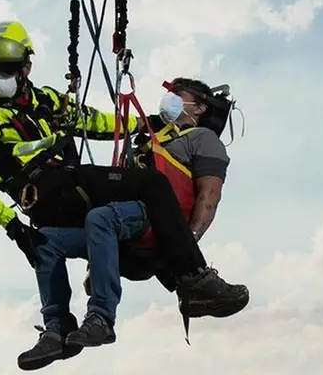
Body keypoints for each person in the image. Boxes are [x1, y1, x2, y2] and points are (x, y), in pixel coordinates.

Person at [0, 21, 248, 371]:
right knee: (59, 233)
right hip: (49, 195)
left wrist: (143, 124)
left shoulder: (48, 101)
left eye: (6, 69)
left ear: (26, 68)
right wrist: (15, 228)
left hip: (69, 188)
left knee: (66, 234)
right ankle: (187, 277)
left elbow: (96, 122)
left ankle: (84, 323)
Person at [74, 77, 242, 349]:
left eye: (179, 94)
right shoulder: (149, 139)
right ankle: (57, 329)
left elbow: (209, 196)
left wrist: (185, 245)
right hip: (127, 235)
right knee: (51, 239)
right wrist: (97, 264)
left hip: (155, 227)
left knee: (97, 207)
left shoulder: (202, 139)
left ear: (199, 108)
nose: (171, 99)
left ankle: (102, 317)